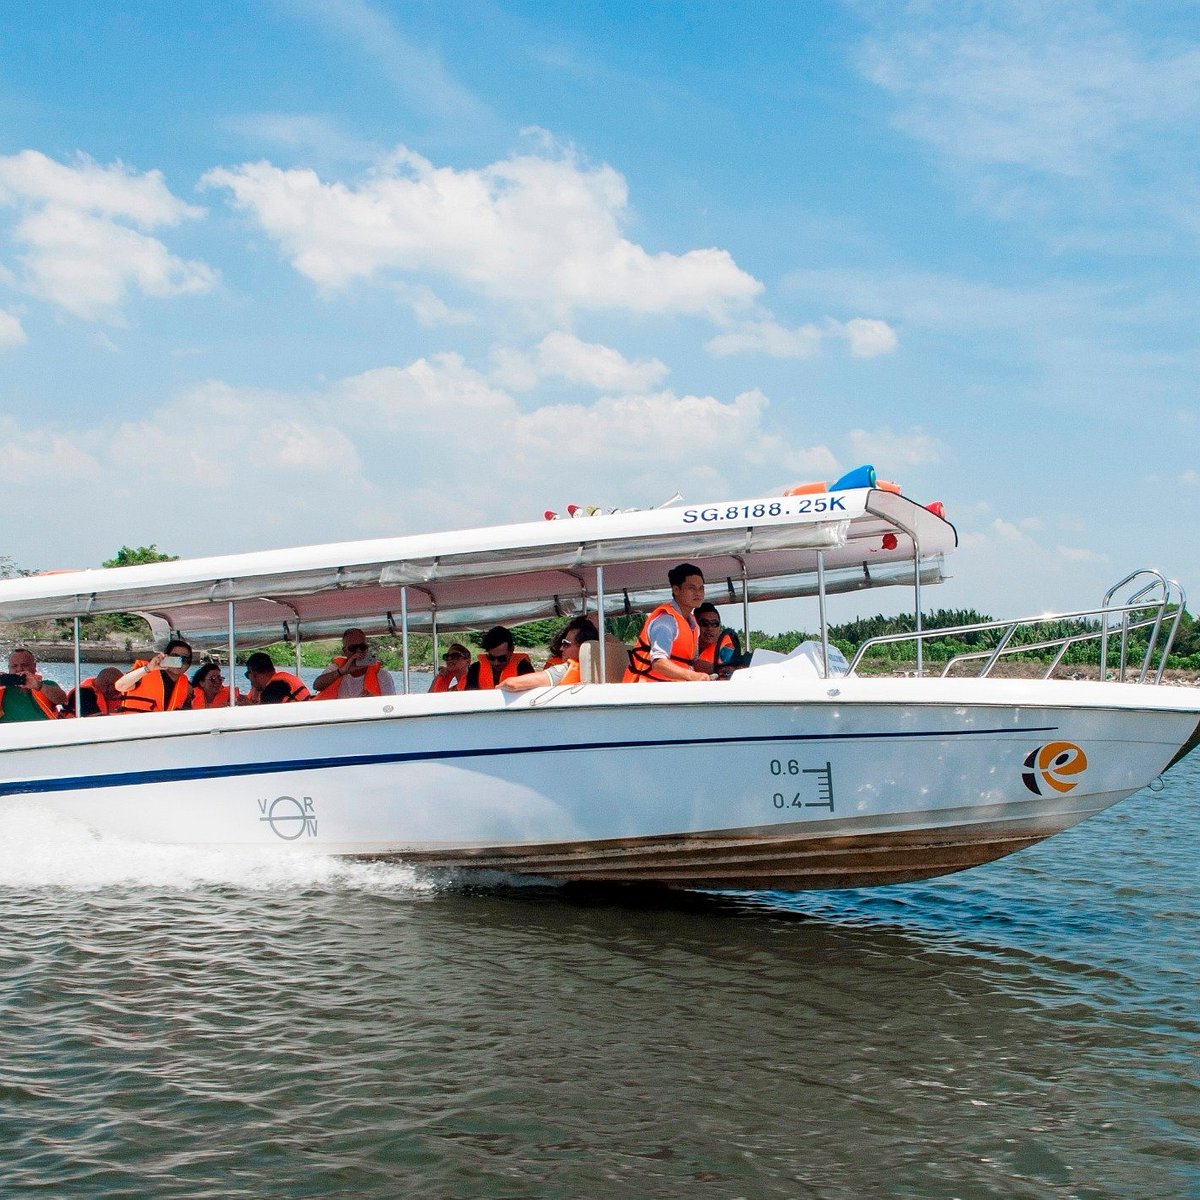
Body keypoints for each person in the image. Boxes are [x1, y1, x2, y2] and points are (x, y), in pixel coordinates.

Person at [623, 563, 716, 683]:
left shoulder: (692, 623)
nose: (698, 593)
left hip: (672, 691)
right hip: (649, 693)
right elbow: (658, 663)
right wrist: (692, 676)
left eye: (701, 588)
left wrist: (720, 668)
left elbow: (692, 662)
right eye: (691, 588)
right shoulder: (666, 622)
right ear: (676, 590)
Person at [499, 620, 599, 692]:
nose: (561, 649)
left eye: (566, 644)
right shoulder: (598, 670)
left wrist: (497, 688)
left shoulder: (564, 670)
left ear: (582, 648)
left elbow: (512, 684)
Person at [115, 638, 196, 712]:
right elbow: (120, 686)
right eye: (175, 657)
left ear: (189, 664)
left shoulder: (187, 688)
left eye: (185, 659)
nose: (180, 662)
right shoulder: (144, 674)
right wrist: (148, 669)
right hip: (135, 724)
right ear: (165, 657)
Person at [312, 629, 395, 700]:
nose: (358, 651)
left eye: (362, 647)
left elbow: (391, 706)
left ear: (367, 648)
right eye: (353, 648)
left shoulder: (382, 675)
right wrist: (341, 672)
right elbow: (316, 686)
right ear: (345, 651)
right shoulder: (335, 669)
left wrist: (373, 701)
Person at [0, 647, 64, 721]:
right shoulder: (2, 688)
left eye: (25, 665)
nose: (20, 669)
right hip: (9, 731)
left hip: (42, 730)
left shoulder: (47, 684)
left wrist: (38, 686)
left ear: (34, 666)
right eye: (14, 666)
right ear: (9, 668)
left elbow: (62, 700)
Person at [464, 626, 535, 690]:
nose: (496, 663)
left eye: (502, 658)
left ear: (511, 650)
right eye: (491, 658)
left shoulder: (524, 668)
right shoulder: (475, 669)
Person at [694, 602, 742, 679]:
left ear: (719, 627)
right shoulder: (685, 647)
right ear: (695, 625)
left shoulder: (726, 650)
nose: (709, 628)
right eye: (704, 623)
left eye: (714, 624)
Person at [244, 652, 311, 704]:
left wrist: (248, 706)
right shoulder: (285, 679)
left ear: (253, 673)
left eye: (247, 675)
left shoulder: (271, 692)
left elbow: (266, 717)